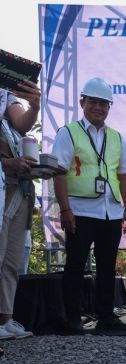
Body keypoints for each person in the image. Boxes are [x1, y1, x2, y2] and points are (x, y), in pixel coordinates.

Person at [52, 77, 126, 333]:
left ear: (109, 107)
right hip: (80, 210)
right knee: (76, 264)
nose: (99, 107)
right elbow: (59, 172)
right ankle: (72, 318)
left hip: (110, 210)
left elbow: (123, 175)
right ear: (83, 102)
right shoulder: (69, 132)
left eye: (104, 103)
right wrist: (65, 209)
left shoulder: (116, 137)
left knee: (108, 265)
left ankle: (106, 316)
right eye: (94, 102)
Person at [0, 81, 41, 340]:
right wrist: (9, 162)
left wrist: (34, 106)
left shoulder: (4, 96)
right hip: (3, 192)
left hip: (18, 191)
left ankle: (6, 319)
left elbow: (22, 123)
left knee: (11, 261)